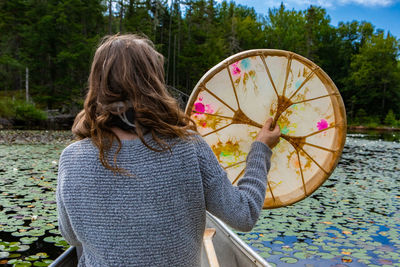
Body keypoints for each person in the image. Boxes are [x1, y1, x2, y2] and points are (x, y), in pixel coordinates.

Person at [56, 34, 280, 267]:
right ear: (152, 82)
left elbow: (71, 236)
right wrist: (261, 149)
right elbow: (243, 214)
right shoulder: (188, 147)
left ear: (98, 84)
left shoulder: (71, 158)